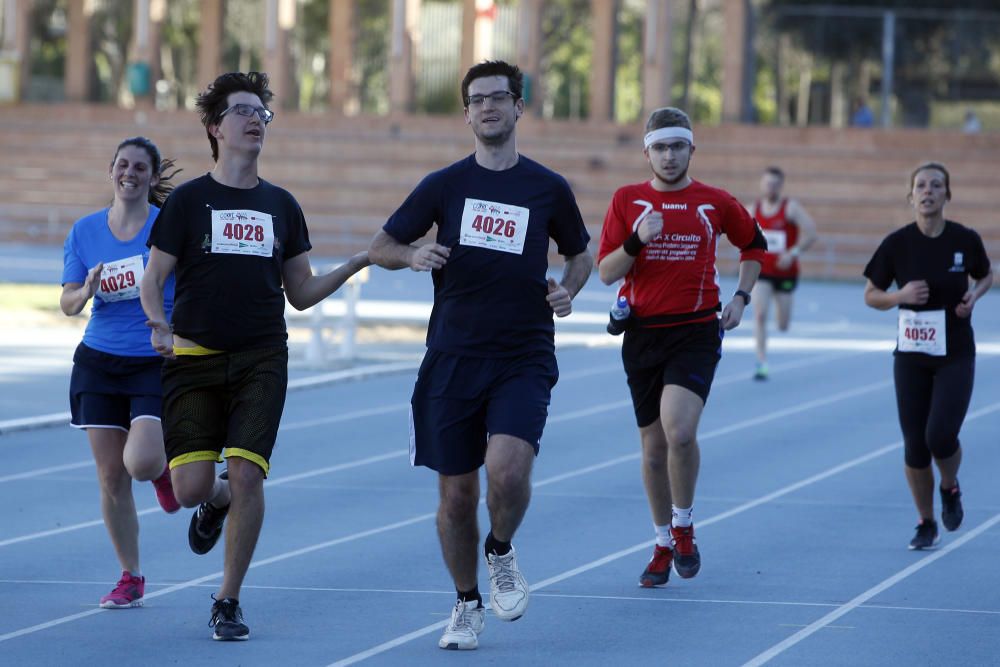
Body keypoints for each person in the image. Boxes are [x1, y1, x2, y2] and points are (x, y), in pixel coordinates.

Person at [367, 60, 593, 651]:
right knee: (456, 497)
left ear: (520, 107)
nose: (488, 107)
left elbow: (581, 253)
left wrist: (569, 286)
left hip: (523, 353)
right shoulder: (445, 185)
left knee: (509, 470)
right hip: (453, 356)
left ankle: (499, 549)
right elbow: (381, 244)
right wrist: (411, 256)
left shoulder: (547, 187)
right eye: (477, 100)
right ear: (466, 113)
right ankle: (466, 603)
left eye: (499, 97)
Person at [139, 71, 370, 641]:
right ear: (216, 128)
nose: (253, 121)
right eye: (241, 112)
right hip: (192, 359)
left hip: (261, 358)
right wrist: (158, 324)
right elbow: (153, 279)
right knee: (191, 487)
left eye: (261, 113)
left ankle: (228, 599)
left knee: (247, 474)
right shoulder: (190, 201)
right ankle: (211, 500)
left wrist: (359, 261)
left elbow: (302, 293)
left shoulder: (281, 206)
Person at [597, 107, 766, 589]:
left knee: (681, 431)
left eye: (677, 147)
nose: (669, 156)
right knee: (653, 451)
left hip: (695, 330)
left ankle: (685, 523)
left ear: (692, 149)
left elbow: (754, 246)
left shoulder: (714, 202)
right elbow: (607, 272)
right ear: (646, 151)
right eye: (660, 147)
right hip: (642, 335)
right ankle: (662, 541)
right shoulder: (628, 200)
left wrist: (741, 297)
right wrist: (635, 240)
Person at [60, 136, 181, 609]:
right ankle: (130, 575)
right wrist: (86, 288)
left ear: (152, 178)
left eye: (140, 167)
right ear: (111, 170)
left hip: (153, 358)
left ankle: (164, 470)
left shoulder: (168, 227)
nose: (129, 172)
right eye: (122, 164)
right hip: (98, 361)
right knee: (112, 478)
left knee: (143, 462)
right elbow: (68, 303)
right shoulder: (85, 231)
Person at [863, 162, 992, 550]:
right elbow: (871, 294)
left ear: (947, 195)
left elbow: (985, 274)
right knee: (915, 445)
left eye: (936, 185)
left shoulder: (964, 240)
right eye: (921, 185)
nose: (928, 191)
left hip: (954, 353)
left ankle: (949, 487)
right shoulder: (897, 244)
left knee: (940, 435)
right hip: (912, 354)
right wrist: (899, 297)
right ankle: (925, 521)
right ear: (911, 196)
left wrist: (974, 295)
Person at [748, 166, 818, 380]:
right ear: (762, 184)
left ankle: (783, 316)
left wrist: (793, 253)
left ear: (781, 186)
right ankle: (761, 362)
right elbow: (741, 234)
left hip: (786, 273)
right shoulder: (753, 209)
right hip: (762, 273)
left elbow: (811, 233)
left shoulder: (790, 208)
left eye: (775, 184)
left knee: (783, 324)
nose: (771, 187)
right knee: (759, 315)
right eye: (767, 183)